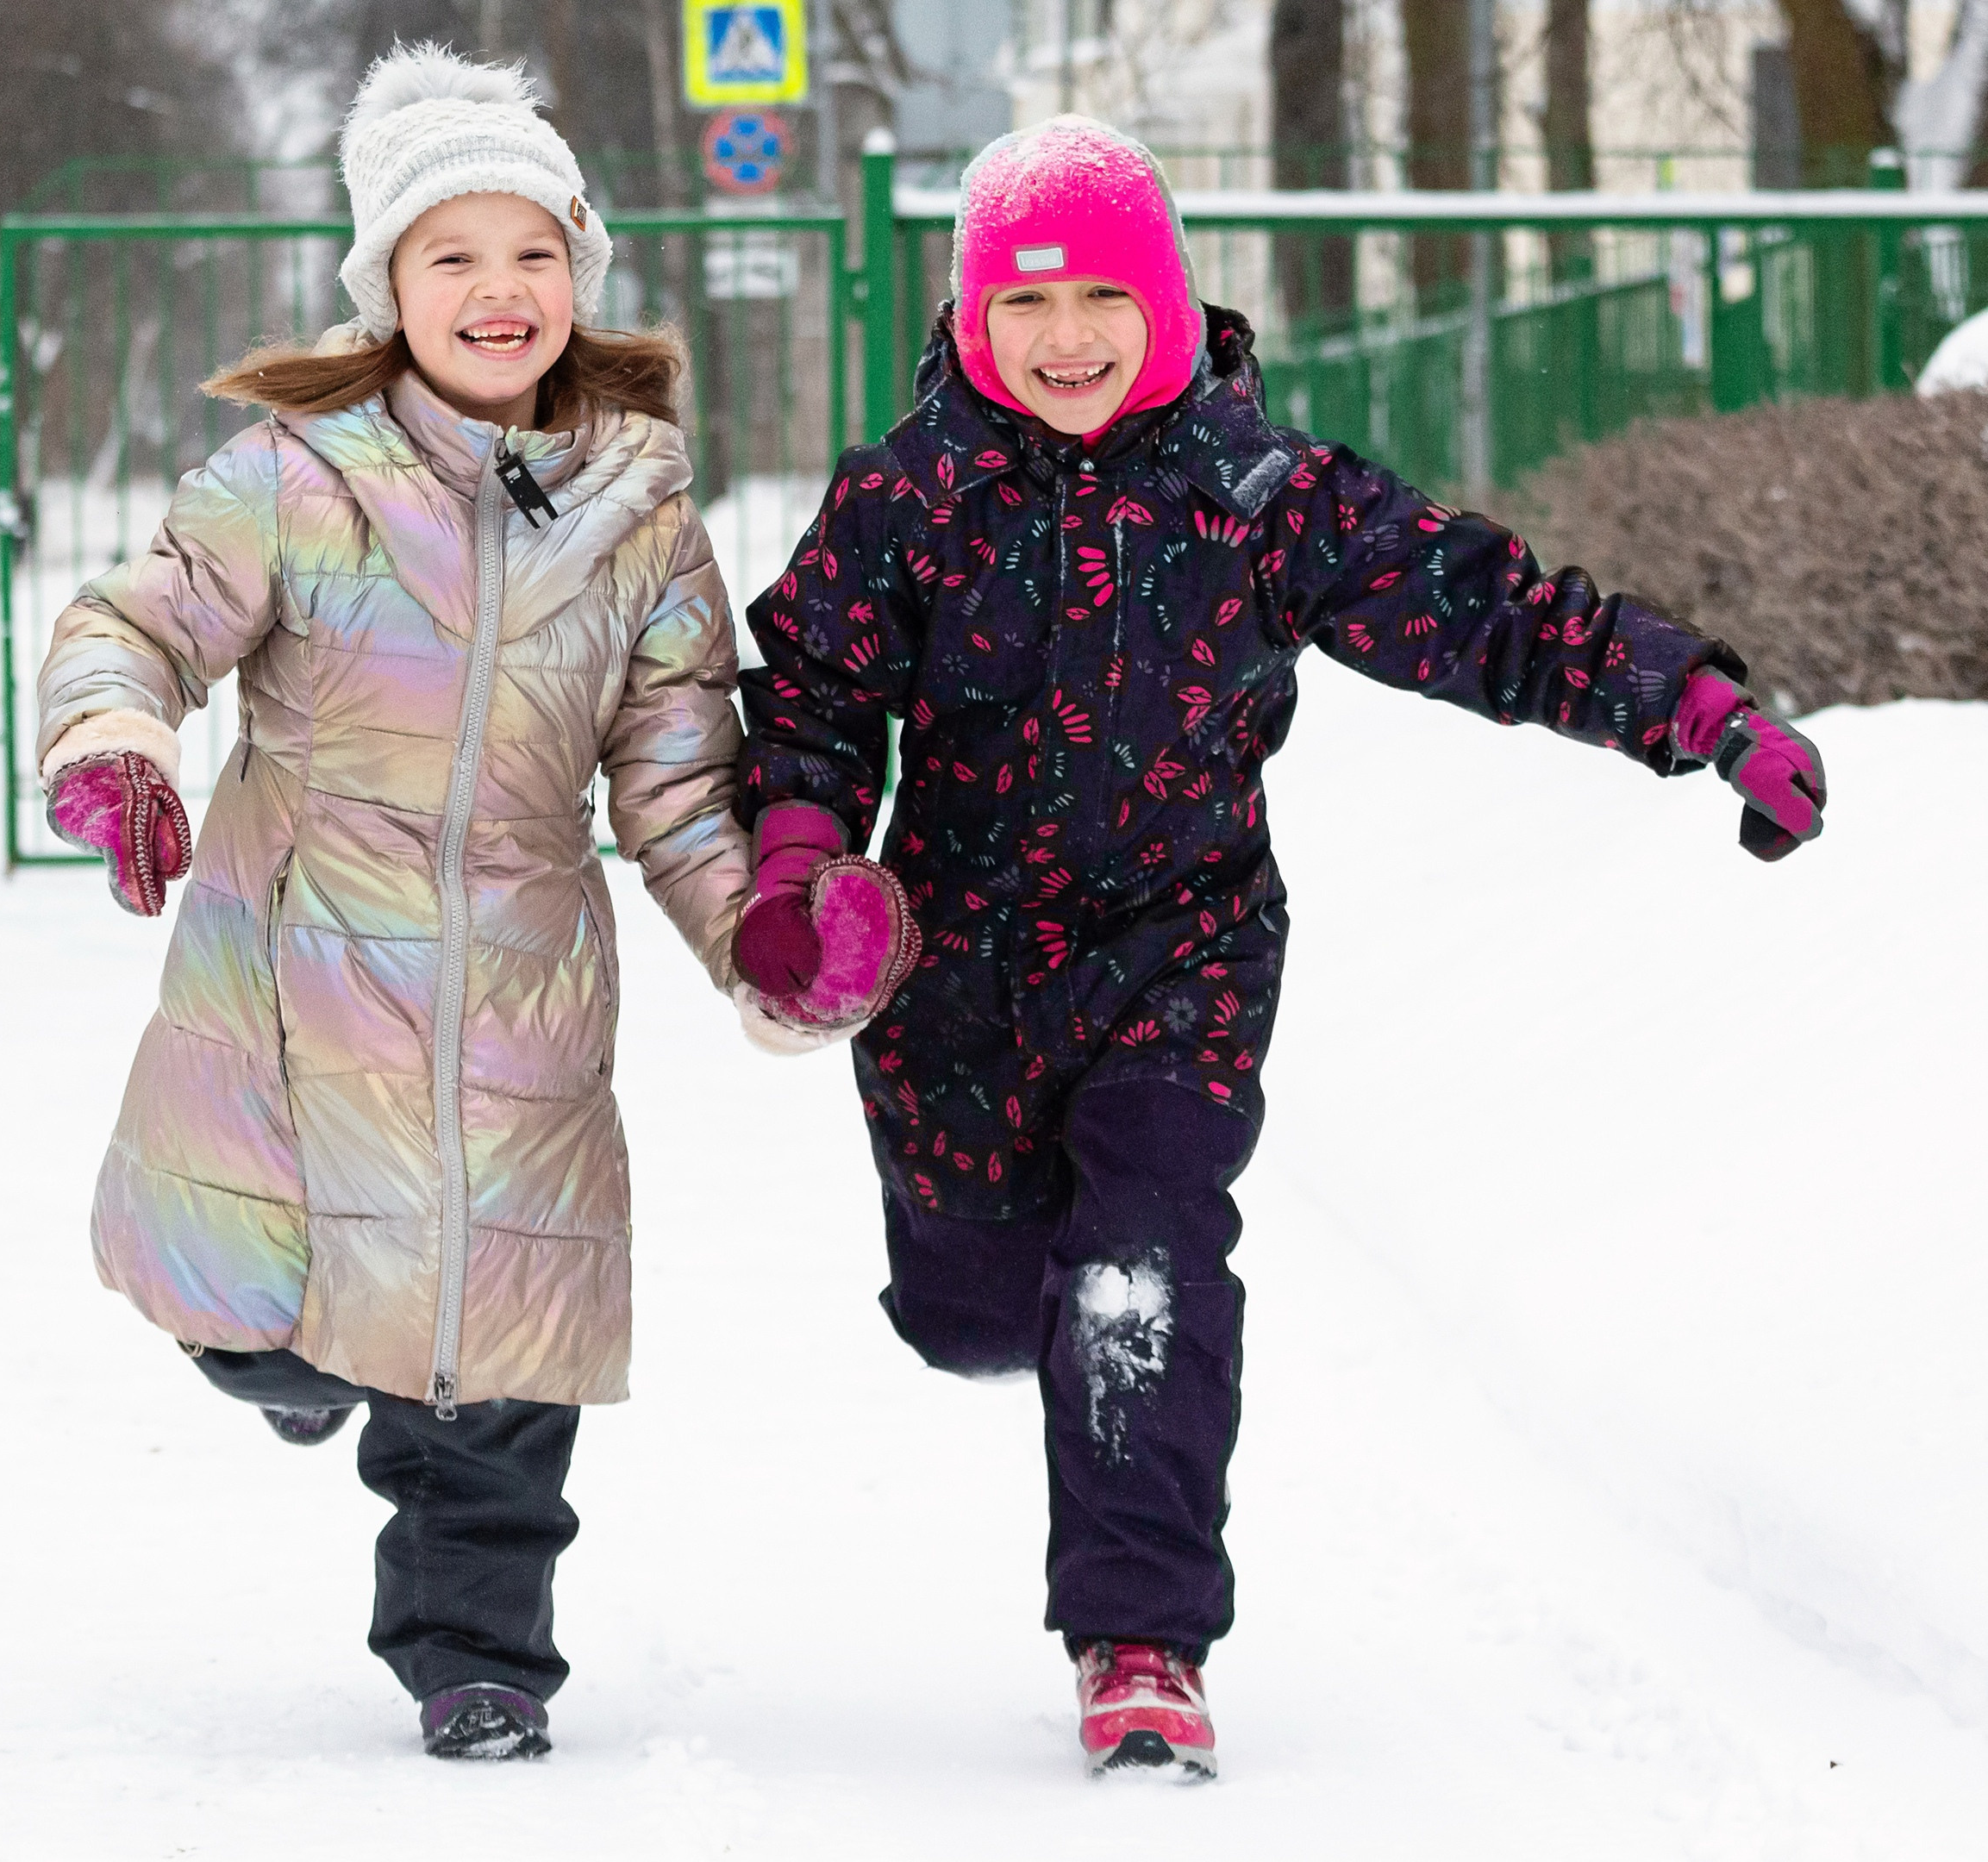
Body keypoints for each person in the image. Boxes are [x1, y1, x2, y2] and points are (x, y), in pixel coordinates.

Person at [728, 116, 1826, 1780]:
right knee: (968, 1306)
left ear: (1170, 302)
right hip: (955, 971)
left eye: (1105, 294)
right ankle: (1020, 1316)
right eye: (1027, 305)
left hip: (1187, 950)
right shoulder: (908, 496)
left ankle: (1142, 1640)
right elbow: (807, 688)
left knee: (1147, 1265)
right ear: (970, 318)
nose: (1069, 336)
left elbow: (1483, 605)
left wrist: (1687, 704)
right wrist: (803, 854)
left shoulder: (1257, 493)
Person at [34, 45, 750, 1760]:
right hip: (296, 967)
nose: (497, 292)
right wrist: (121, 744)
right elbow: (134, 624)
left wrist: (766, 941)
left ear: (577, 273)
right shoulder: (299, 474)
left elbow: (679, 776)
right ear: (387, 287)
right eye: (453, 257)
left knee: (492, 1356)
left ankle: (475, 1654)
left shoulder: (637, 507)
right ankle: (299, 1374)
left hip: (518, 985)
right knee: (256, 1321)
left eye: (530, 255)